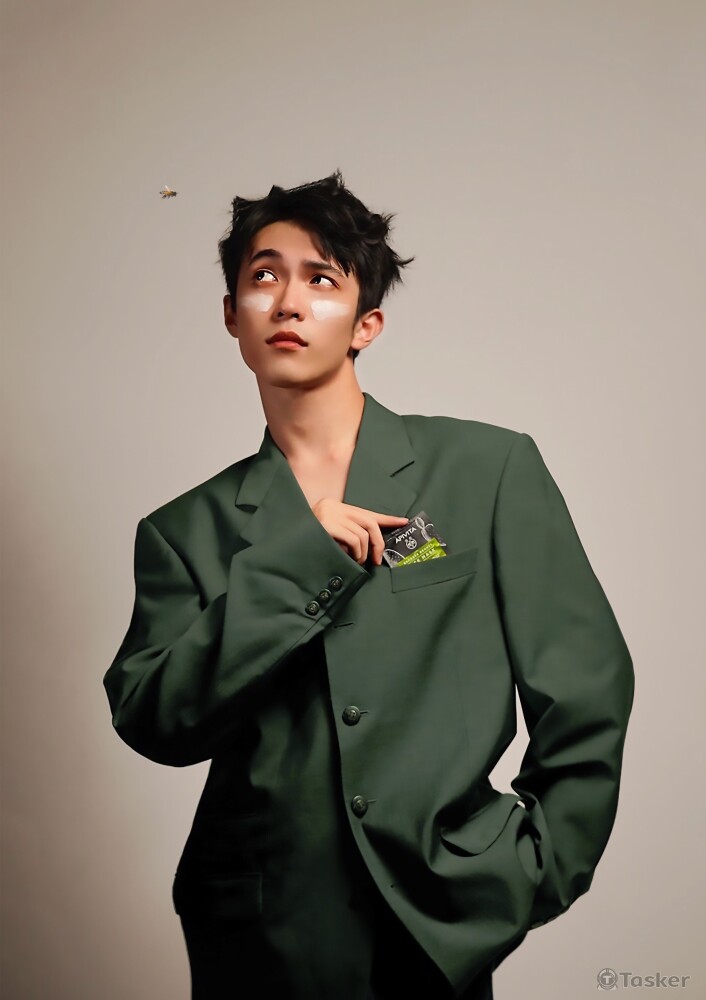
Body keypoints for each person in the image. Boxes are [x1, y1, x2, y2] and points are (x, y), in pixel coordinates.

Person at [103, 170, 635, 999]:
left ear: (366, 324)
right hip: (260, 944)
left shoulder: (487, 470)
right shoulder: (182, 531)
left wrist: (534, 868)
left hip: (434, 925)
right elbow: (156, 721)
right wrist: (294, 563)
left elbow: (586, 690)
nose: (288, 301)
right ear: (232, 315)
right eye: (264, 276)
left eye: (321, 279)